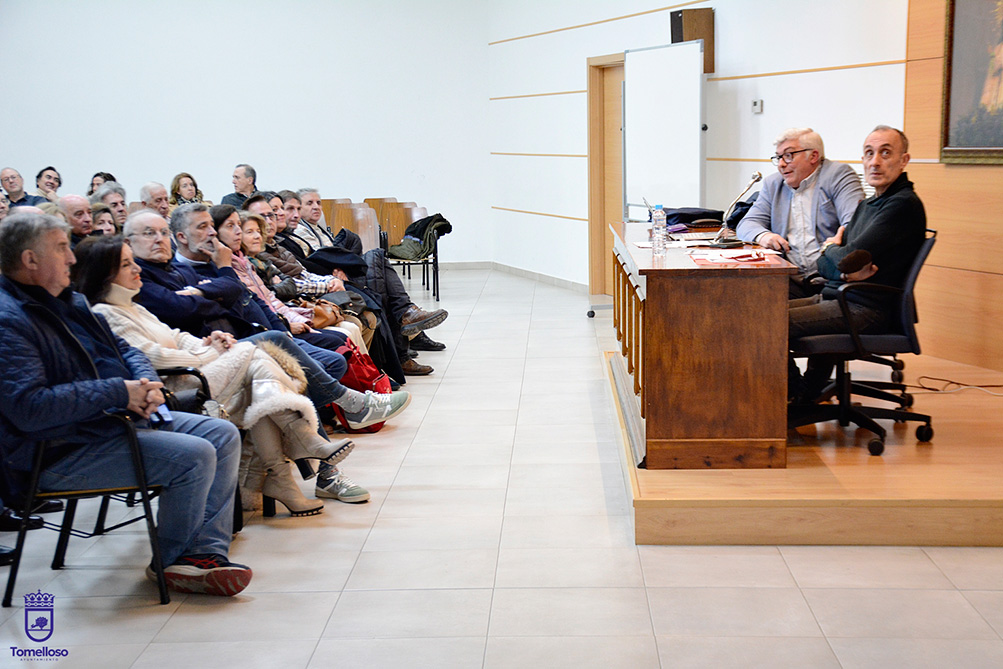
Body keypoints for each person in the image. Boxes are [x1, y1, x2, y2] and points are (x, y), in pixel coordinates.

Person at [0, 210, 252, 596]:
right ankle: (172, 561)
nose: (71, 258)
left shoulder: (68, 300)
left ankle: (202, 553)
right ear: (29, 260)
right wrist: (121, 392)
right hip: (56, 450)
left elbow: (123, 349)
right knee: (196, 454)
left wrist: (145, 383)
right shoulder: (9, 320)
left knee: (221, 433)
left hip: (107, 422)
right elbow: (29, 407)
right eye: (62, 248)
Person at [73, 235, 357, 516]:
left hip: (195, 373)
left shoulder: (131, 306)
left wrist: (209, 342)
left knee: (259, 390)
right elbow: (154, 356)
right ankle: (305, 438)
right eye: (126, 264)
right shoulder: (105, 313)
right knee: (257, 351)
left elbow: (176, 337)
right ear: (105, 274)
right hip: (178, 387)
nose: (137, 269)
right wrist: (210, 354)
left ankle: (282, 478)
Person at [788, 125, 926, 402]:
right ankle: (806, 394)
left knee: (766, 322)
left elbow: (846, 260)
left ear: (904, 160)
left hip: (865, 308)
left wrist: (835, 254)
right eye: (869, 153)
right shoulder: (868, 204)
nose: (875, 161)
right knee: (759, 314)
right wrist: (836, 256)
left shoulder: (902, 205)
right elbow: (828, 264)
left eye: (885, 153)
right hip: (839, 296)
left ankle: (798, 398)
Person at [736, 128, 864, 297]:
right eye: (778, 157)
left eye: (788, 155)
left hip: (832, 281)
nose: (781, 164)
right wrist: (764, 236)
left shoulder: (838, 175)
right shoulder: (774, 184)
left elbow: (855, 223)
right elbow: (746, 224)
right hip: (790, 281)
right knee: (746, 298)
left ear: (813, 156)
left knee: (775, 319)